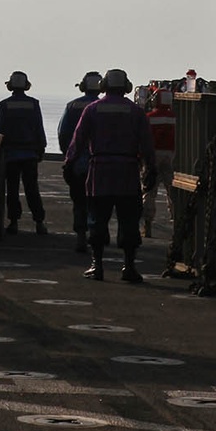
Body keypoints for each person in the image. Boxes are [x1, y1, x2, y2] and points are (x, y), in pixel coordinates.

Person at [64, 66, 156, 284]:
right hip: (127, 172)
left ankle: (97, 266)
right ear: (126, 87)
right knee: (129, 221)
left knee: (97, 219)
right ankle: (129, 267)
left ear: (104, 86)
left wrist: (69, 164)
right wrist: (151, 168)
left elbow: (77, 140)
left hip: (99, 173)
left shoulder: (92, 110)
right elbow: (147, 144)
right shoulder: (136, 112)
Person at [0, 70, 47, 235]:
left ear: (10, 86)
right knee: (32, 189)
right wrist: (41, 148)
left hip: (11, 155)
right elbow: (39, 128)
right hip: (30, 154)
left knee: (12, 190)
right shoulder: (33, 104)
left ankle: (14, 222)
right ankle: (39, 223)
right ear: (26, 85)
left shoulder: (5, 105)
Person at [57, 71, 103, 253]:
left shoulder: (72, 106)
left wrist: (68, 156)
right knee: (99, 203)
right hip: (102, 163)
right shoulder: (105, 106)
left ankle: (81, 236)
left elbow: (64, 134)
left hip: (78, 164)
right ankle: (97, 236)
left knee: (79, 202)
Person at [142, 86, 176, 237]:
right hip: (172, 156)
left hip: (153, 156)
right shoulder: (176, 117)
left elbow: (143, 139)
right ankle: (177, 223)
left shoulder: (149, 117)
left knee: (149, 191)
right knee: (173, 192)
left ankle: (147, 225)